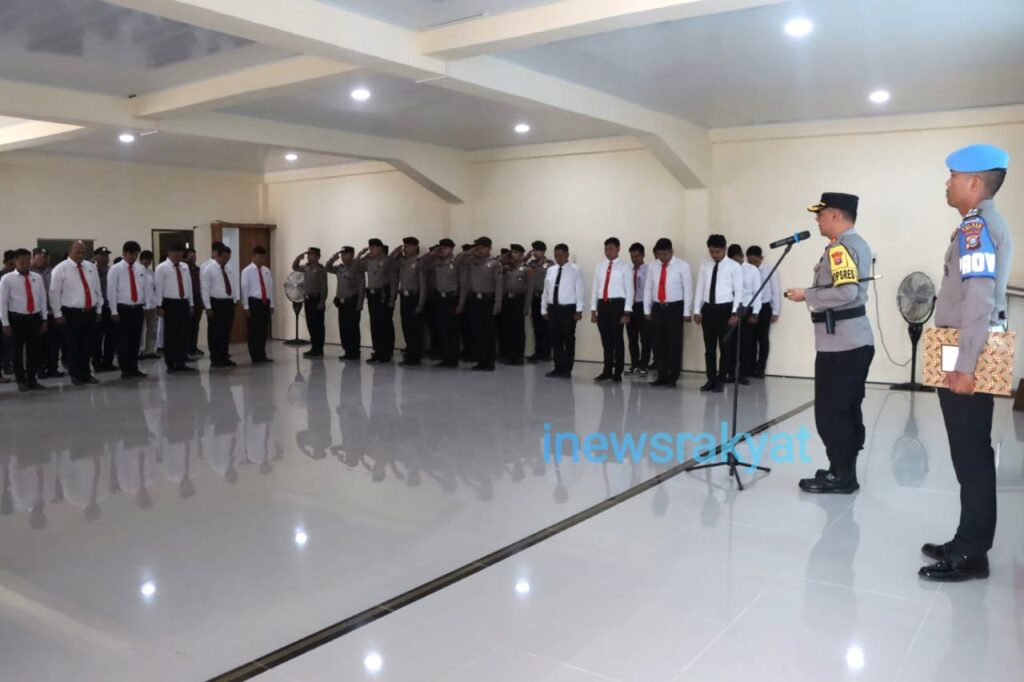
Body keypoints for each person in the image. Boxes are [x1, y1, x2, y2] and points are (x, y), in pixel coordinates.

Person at [918, 145, 1012, 582]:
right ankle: (966, 539)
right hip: (961, 345)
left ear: (974, 182)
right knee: (968, 451)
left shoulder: (977, 227)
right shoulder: (978, 223)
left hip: (966, 348)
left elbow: (979, 298)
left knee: (971, 453)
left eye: (953, 176)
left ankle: (972, 553)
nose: (947, 183)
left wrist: (967, 364)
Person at [786, 192, 874, 494]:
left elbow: (847, 292)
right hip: (849, 343)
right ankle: (842, 469)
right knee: (845, 410)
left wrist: (806, 295)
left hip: (842, 346)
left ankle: (842, 476)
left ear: (836, 215)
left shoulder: (841, 249)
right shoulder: (854, 244)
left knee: (832, 413)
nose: (817, 219)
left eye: (821, 214)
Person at [693, 234, 743, 392]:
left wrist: (735, 313)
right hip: (708, 308)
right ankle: (711, 379)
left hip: (725, 309)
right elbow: (700, 288)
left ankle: (721, 379)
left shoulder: (734, 266)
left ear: (724, 249)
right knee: (709, 348)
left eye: (717, 252)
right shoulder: (705, 266)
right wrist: (696, 310)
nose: (714, 255)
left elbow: (739, 291)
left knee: (725, 347)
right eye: (711, 252)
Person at [49, 241, 103, 385]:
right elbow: (54, 293)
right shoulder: (60, 268)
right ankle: (76, 375)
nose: (81, 255)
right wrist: (57, 313)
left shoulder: (91, 267)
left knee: (88, 345)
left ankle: (86, 373)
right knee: (73, 346)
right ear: (70, 251)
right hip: (71, 313)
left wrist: (98, 308)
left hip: (89, 311)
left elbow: (97, 288)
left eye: (83, 252)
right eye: (77, 252)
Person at [643, 238, 693, 387]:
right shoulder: (653, 266)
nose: (662, 257)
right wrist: (647, 309)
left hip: (675, 308)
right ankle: (662, 375)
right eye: (659, 254)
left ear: (671, 251)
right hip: (658, 307)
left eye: (665, 254)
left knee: (674, 343)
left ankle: (673, 377)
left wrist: (686, 311)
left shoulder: (682, 266)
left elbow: (688, 289)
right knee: (658, 343)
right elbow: (648, 287)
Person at [0, 248, 48, 391]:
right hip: (16, 319)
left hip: (34, 318)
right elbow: (2, 302)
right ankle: (21, 380)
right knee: (17, 352)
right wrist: (5, 323)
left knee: (34, 351)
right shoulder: (7, 279)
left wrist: (44, 319)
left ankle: (32, 379)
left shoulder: (36, 277)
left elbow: (42, 299)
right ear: (15, 261)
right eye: (22, 262)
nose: (26, 265)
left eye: (28, 261)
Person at [590, 237, 633, 382]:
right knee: (606, 339)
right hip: (603, 305)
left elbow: (630, 290)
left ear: (618, 249)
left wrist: (627, 312)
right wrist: (593, 310)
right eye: (606, 249)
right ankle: (607, 370)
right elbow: (595, 288)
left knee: (617, 339)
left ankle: (618, 371)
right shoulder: (600, 266)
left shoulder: (625, 266)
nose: (608, 252)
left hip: (617, 305)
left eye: (611, 249)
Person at [458, 237, 503, 371]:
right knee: (476, 332)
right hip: (474, 301)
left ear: (489, 248)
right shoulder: (470, 261)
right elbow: (456, 263)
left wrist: (497, 305)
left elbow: (499, 286)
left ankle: (489, 362)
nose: (479, 250)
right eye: (477, 247)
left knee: (488, 333)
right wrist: (468, 252)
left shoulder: (495, 263)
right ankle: (480, 361)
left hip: (488, 301)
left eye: (482, 247)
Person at [541, 243, 584, 378]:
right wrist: (544, 308)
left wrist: (579, 310)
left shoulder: (575, 270)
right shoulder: (551, 270)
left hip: (568, 310)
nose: (558, 258)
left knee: (568, 339)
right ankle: (558, 367)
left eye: (560, 255)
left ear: (567, 255)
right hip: (553, 308)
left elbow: (580, 290)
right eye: (556, 256)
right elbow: (546, 291)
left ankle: (567, 369)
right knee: (556, 339)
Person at [106, 240, 149, 379]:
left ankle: (134, 367)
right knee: (123, 341)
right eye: (131, 254)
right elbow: (111, 291)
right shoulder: (115, 269)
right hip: (123, 309)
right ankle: (125, 369)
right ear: (125, 253)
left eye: (136, 255)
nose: (134, 257)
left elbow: (144, 288)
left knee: (135, 340)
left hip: (137, 308)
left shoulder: (140, 269)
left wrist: (146, 305)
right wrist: (113, 311)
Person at [155, 243, 196, 374]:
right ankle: (170, 364)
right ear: (170, 253)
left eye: (180, 255)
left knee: (183, 334)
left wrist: (191, 304)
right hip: (169, 303)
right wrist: (159, 305)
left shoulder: (184, 267)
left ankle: (181, 362)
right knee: (171, 335)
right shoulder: (161, 268)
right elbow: (159, 288)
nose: (178, 258)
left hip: (183, 302)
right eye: (176, 255)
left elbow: (188, 285)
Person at [354, 239, 397, 363]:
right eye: (370, 247)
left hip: (383, 295)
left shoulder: (388, 261)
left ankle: (386, 352)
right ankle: (377, 351)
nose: (371, 250)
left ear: (380, 248)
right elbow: (355, 267)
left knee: (384, 324)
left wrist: (392, 298)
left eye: (374, 247)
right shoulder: (368, 260)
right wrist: (360, 254)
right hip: (372, 296)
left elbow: (394, 281)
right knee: (375, 325)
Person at [421, 239, 460, 367]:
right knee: (441, 329)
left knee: (452, 330)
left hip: (452, 299)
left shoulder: (457, 262)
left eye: (446, 248)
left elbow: (463, 283)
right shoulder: (435, 261)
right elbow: (420, 265)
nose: (443, 250)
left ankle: (452, 359)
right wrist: (431, 253)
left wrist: (461, 303)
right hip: (439, 299)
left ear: (452, 249)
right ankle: (445, 357)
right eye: (441, 248)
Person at [727, 243, 762, 385]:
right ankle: (730, 372)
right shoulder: (727, 269)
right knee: (731, 343)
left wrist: (756, 313)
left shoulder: (752, 270)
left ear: (742, 256)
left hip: (747, 308)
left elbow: (757, 292)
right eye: (732, 260)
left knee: (745, 343)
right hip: (731, 309)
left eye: (737, 259)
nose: (735, 263)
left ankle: (742, 373)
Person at [389, 237, 427, 366]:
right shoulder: (401, 262)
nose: (406, 249)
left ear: (416, 247)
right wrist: (395, 253)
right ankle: (410, 354)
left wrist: (420, 304)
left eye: (409, 246)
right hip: (404, 298)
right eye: (405, 246)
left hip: (415, 297)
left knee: (415, 329)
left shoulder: (419, 262)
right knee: (406, 327)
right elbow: (388, 265)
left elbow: (423, 285)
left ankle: (415, 357)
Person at [746, 245, 780, 378]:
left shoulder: (769, 270)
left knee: (763, 339)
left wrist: (775, 311)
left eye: (755, 262)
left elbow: (775, 291)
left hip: (765, 308)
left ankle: (760, 369)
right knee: (750, 339)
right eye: (750, 262)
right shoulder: (746, 270)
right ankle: (749, 368)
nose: (753, 265)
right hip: (750, 307)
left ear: (761, 258)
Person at [201, 243, 238, 368]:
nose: (226, 260)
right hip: (215, 303)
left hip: (228, 303)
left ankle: (224, 356)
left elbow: (232, 284)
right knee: (216, 332)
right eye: (224, 258)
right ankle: (216, 359)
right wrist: (208, 307)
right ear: (217, 255)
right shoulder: (208, 269)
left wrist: (234, 299)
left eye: (228, 258)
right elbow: (204, 289)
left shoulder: (228, 267)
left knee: (226, 332)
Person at [326, 246, 365, 361]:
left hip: (352, 302)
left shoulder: (357, 268)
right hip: (342, 303)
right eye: (342, 254)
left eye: (345, 254)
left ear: (351, 255)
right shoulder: (340, 268)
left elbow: (362, 286)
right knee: (343, 328)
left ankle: (354, 351)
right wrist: (333, 259)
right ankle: (347, 350)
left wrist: (360, 303)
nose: (342, 256)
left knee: (352, 328)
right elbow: (327, 268)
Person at [30, 247, 63, 379]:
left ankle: (52, 368)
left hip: (52, 313)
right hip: (36, 314)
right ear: (33, 258)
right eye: (41, 256)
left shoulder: (54, 271)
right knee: (38, 344)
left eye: (46, 257)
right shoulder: (29, 273)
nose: (44, 259)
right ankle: (39, 369)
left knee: (54, 343)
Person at [292, 247, 328, 358]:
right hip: (308, 300)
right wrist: (298, 258)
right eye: (308, 254)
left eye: (311, 254)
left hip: (317, 299)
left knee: (318, 325)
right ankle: (314, 347)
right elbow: (295, 267)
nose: (309, 256)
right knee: (310, 324)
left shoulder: (320, 269)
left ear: (317, 257)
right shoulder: (306, 267)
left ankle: (319, 349)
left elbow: (324, 287)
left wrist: (322, 301)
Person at [500, 244, 532, 365]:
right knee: (508, 328)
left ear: (522, 255)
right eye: (512, 252)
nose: (513, 255)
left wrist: (526, 306)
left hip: (519, 301)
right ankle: (509, 355)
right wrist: (504, 259)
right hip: (507, 301)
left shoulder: (527, 269)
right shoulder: (506, 268)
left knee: (518, 329)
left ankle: (518, 356)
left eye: (516, 253)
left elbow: (530, 289)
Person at [241, 245, 274, 364]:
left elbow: (270, 288)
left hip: (265, 303)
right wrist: (246, 307)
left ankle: (262, 354)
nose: (262, 260)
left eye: (263, 258)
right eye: (260, 257)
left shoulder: (266, 270)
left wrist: (272, 304)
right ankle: (255, 356)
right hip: (253, 303)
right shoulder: (246, 271)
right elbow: (244, 289)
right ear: (254, 256)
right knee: (254, 331)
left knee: (263, 330)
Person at [625, 242, 651, 376]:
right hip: (631, 307)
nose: (634, 259)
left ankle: (644, 365)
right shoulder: (628, 270)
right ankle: (634, 364)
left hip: (643, 306)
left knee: (645, 338)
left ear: (643, 255)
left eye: (637, 256)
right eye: (632, 256)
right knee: (632, 338)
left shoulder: (649, 270)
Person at [525, 241, 553, 362]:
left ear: (543, 251)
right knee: (536, 326)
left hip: (545, 298)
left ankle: (547, 353)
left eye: (537, 250)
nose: (535, 253)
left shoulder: (550, 265)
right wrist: (526, 257)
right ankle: (538, 352)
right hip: (535, 298)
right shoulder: (531, 264)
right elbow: (521, 267)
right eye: (534, 250)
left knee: (547, 326)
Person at [91, 246, 118, 373]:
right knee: (96, 338)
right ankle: (96, 363)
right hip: (97, 309)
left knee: (111, 337)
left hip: (109, 307)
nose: (105, 258)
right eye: (102, 255)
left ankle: (108, 362)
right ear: (95, 257)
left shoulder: (112, 271)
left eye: (107, 255)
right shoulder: (91, 271)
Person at [137, 250, 161, 360]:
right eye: (145, 260)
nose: (147, 262)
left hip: (153, 305)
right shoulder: (136, 272)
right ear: (141, 260)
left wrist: (157, 303)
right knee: (140, 329)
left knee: (153, 329)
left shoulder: (151, 273)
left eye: (149, 260)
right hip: (142, 305)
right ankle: (139, 350)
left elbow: (155, 288)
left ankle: (150, 350)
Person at [183, 247, 204, 358]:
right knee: (187, 326)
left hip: (198, 301)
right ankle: (186, 349)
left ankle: (193, 347)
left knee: (195, 326)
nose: (193, 258)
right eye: (191, 256)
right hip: (187, 302)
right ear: (186, 257)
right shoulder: (183, 269)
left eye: (194, 256)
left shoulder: (198, 270)